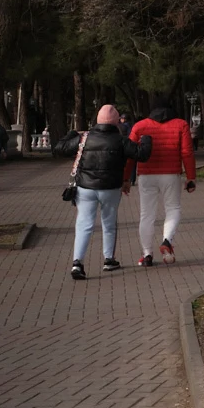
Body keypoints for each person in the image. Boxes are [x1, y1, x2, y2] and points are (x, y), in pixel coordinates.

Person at [53, 105, 153, 280]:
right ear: (116, 123)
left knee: (84, 224)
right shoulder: (121, 140)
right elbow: (142, 154)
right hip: (111, 189)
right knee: (109, 224)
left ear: (97, 121)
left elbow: (59, 148)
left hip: (86, 188)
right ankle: (109, 259)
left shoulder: (84, 138)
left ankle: (77, 263)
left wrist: (71, 134)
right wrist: (146, 139)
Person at [129, 103, 196, 267]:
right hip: (171, 174)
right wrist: (191, 177)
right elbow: (187, 152)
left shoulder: (140, 126)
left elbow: (130, 154)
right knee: (173, 208)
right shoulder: (181, 125)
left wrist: (125, 179)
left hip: (146, 175)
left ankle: (146, 255)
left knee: (146, 215)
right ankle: (167, 240)